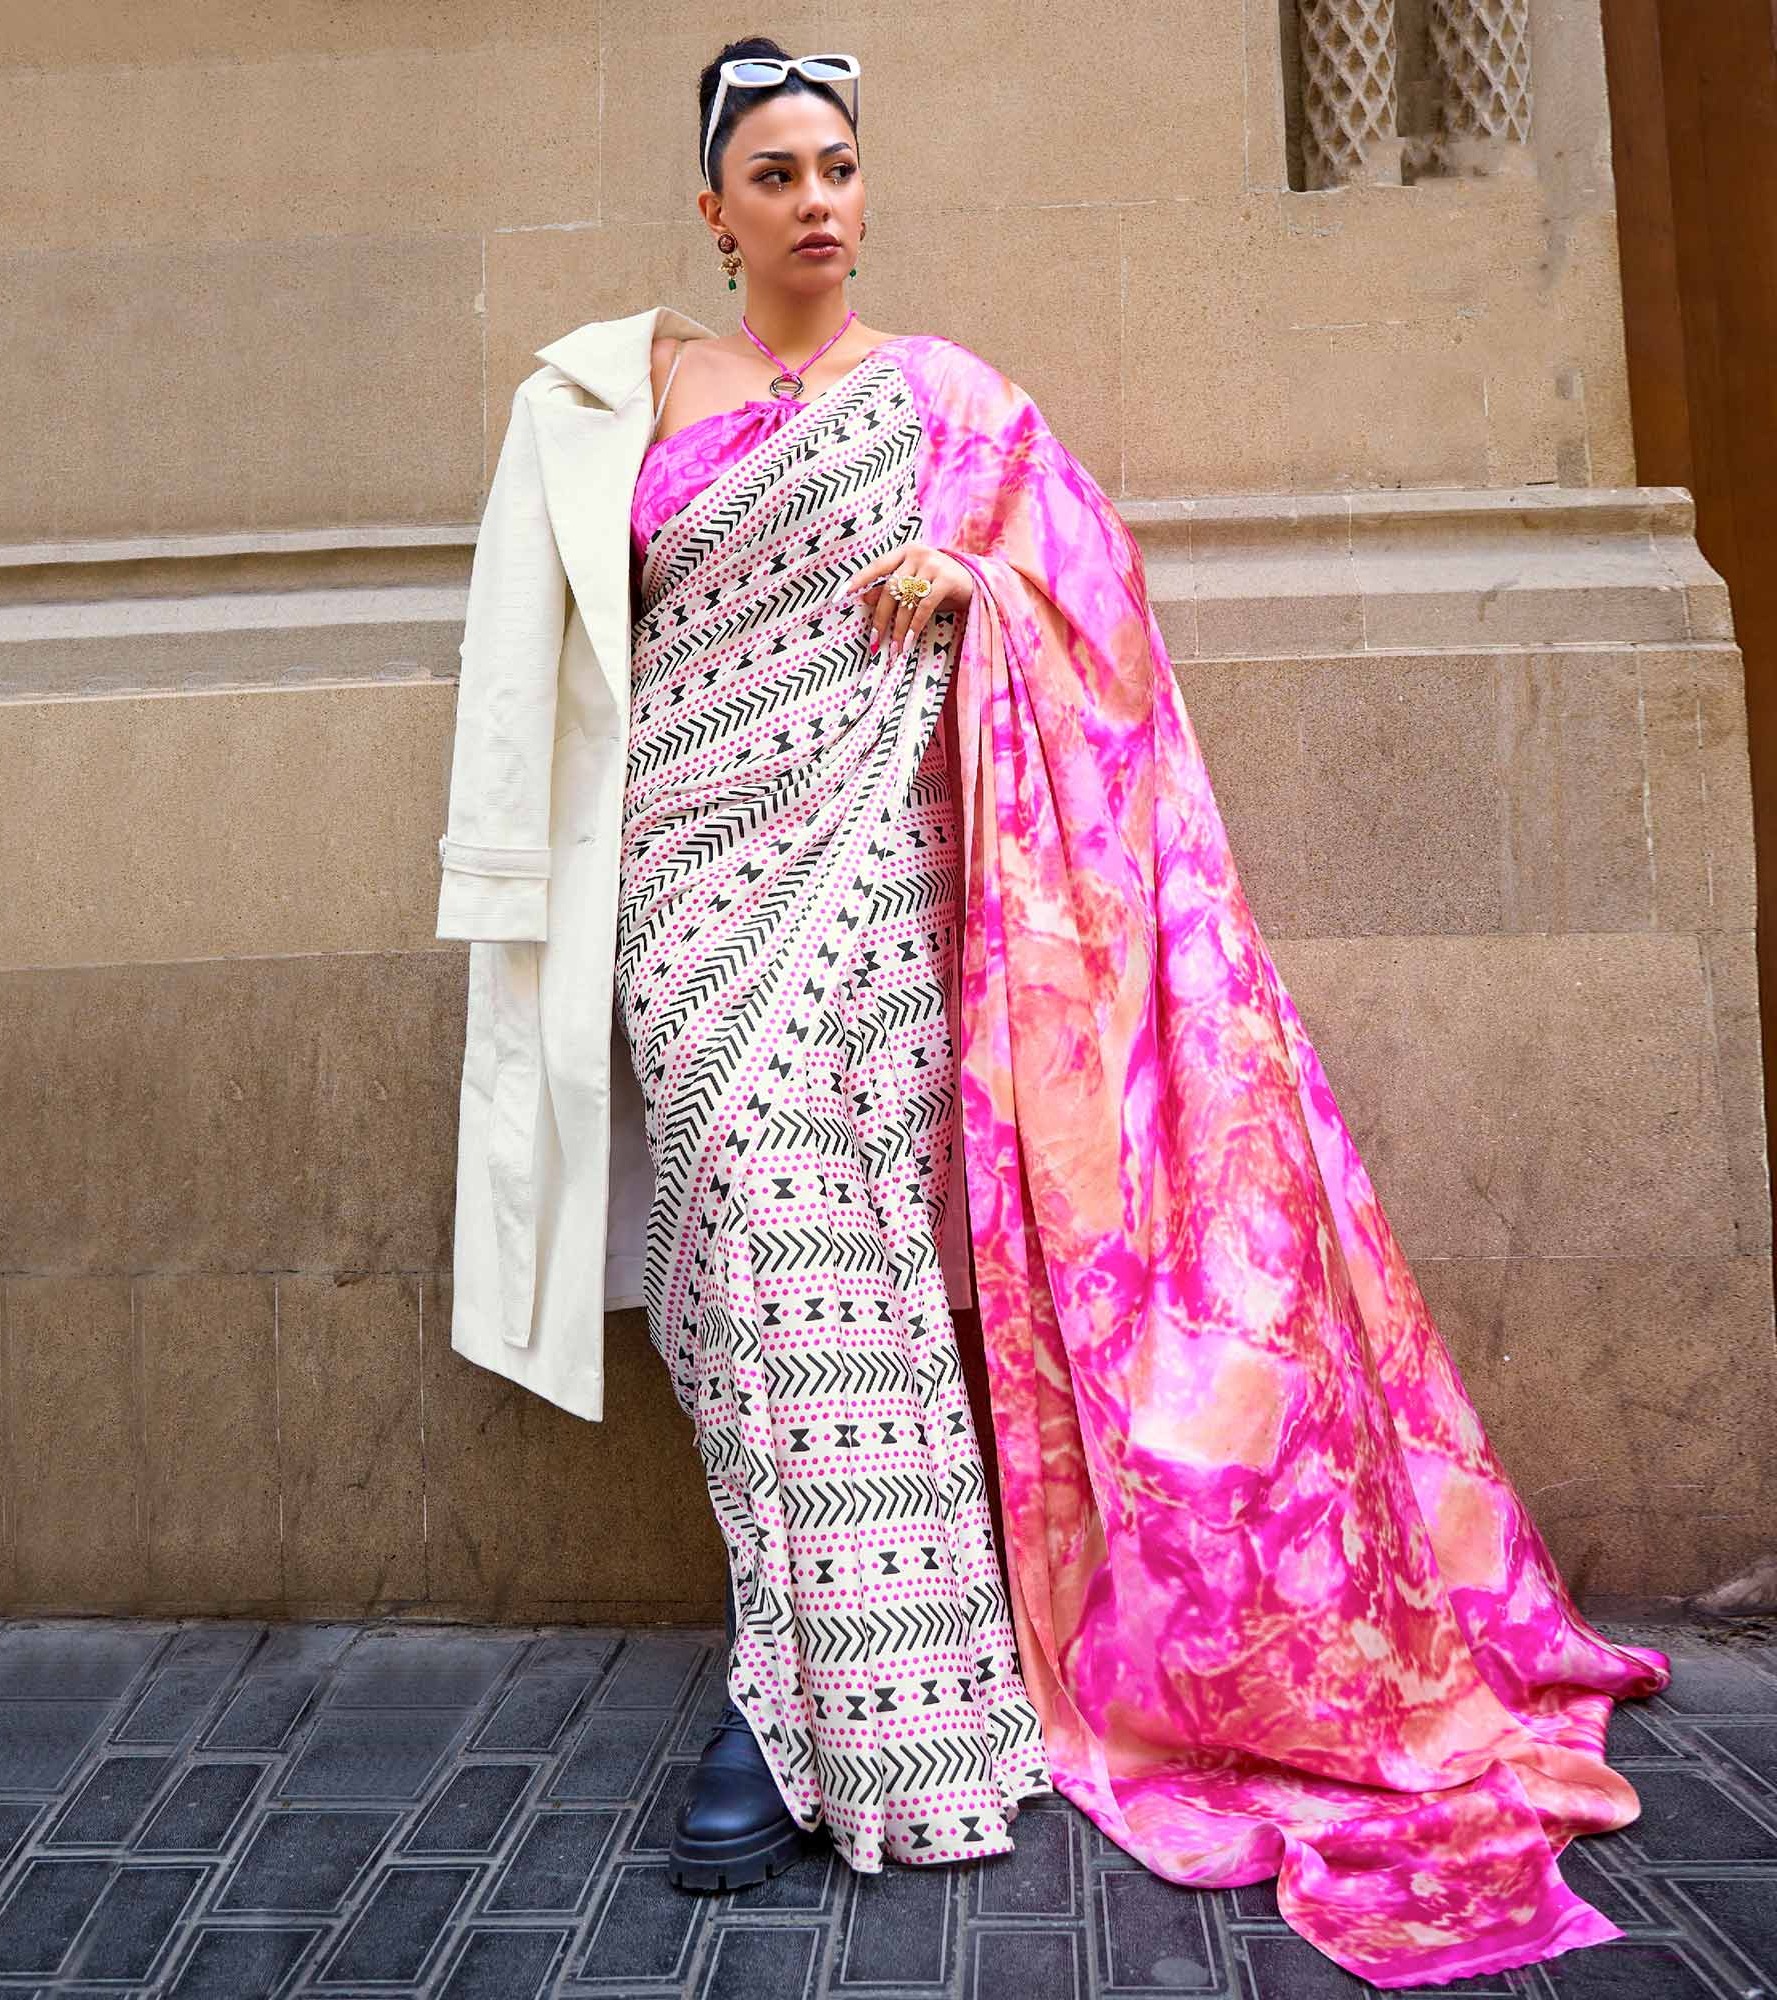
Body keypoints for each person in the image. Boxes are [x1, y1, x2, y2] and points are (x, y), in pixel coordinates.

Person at [444, 34, 1677, 1991]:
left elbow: (1095, 612)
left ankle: (810, 1704)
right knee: (729, 1258)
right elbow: (560, 652)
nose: (817, 200)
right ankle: (817, 1673)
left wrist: (978, 590)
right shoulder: (616, 399)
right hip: (680, 879)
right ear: (714, 211)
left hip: (875, 888)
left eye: (838, 166)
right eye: (775, 174)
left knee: (824, 1252)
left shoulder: (948, 401)